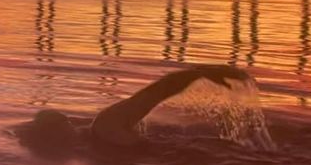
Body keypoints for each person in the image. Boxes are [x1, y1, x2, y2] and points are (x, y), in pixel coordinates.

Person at [15, 64, 252, 153]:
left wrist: (200, 73)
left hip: (193, 155)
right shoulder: (96, 136)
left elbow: (156, 93)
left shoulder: (106, 126)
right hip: (194, 155)